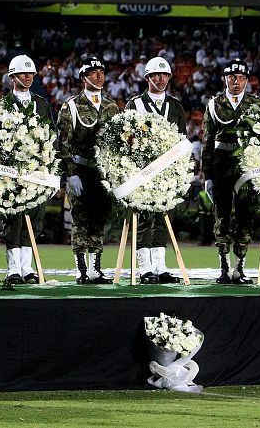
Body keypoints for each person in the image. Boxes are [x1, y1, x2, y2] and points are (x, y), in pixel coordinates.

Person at [57, 56, 119, 284]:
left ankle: (96, 268)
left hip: (102, 172)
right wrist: (70, 173)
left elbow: (117, 142)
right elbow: (64, 142)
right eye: (93, 72)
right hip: (81, 169)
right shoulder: (71, 105)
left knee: (99, 219)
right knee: (80, 219)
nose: (99, 76)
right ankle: (81, 268)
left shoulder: (111, 106)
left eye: (101, 71)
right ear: (84, 77)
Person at [125, 56, 186, 284]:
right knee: (144, 220)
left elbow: (182, 140)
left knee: (164, 219)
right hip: (143, 174)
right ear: (147, 78)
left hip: (168, 175)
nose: (160, 79)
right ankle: (145, 268)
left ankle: (160, 267)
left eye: (164, 75)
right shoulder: (135, 104)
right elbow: (127, 139)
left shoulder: (175, 105)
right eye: (155, 75)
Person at [202, 59, 260, 284]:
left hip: (247, 165)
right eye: (232, 77)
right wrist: (207, 176)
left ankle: (240, 267)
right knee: (221, 217)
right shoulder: (214, 104)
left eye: (241, 78)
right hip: (220, 165)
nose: (236, 82)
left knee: (246, 216)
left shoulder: (256, 104)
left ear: (247, 80)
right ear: (225, 78)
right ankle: (224, 267)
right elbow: (206, 142)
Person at [0, 54, 56, 285]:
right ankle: (13, 268)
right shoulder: (3, 104)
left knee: (34, 221)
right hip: (12, 174)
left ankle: (27, 268)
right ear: (13, 76)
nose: (28, 77)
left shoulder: (41, 103)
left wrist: (52, 174)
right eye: (23, 73)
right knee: (13, 222)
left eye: (31, 73)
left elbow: (52, 139)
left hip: (37, 173)